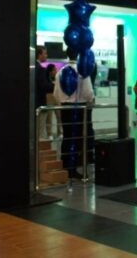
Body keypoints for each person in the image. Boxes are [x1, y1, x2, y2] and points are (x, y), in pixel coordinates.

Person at [54, 47, 95, 179]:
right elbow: (89, 94)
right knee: (78, 138)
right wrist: (90, 101)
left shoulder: (60, 72)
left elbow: (56, 94)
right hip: (79, 108)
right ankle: (74, 167)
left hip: (65, 108)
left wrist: (64, 101)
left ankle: (65, 165)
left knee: (67, 136)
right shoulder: (82, 72)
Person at [35, 46, 54, 139]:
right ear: (39, 55)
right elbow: (44, 86)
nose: (46, 55)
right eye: (45, 53)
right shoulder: (40, 69)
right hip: (40, 103)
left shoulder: (32, 67)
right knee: (40, 131)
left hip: (33, 104)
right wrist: (55, 86)